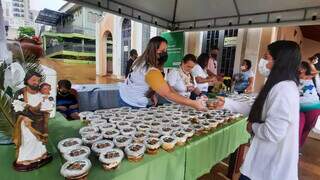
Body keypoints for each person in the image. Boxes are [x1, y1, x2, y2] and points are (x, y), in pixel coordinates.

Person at [215, 40, 301, 180]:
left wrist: (252, 126)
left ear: (280, 61)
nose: (262, 62)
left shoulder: (284, 90)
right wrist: (226, 103)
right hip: (263, 163)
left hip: (269, 169)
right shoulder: (278, 85)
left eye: (266, 57)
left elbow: (273, 133)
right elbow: (259, 111)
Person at [119, 36, 206, 110]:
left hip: (125, 94)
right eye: (162, 51)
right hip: (133, 102)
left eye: (166, 50)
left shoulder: (139, 59)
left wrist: (152, 94)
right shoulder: (152, 71)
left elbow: (138, 80)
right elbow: (168, 93)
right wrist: (193, 104)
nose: (165, 53)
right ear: (153, 50)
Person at [12, 71, 52, 171]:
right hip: (26, 123)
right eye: (33, 80)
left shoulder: (41, 92)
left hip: (39, 121)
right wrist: (23, 117)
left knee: (39, 141)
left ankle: (41, 156)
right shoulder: (20, 93)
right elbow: (15, 108)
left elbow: (47, 104)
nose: (36, 83)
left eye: (38, 81)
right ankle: (25, 159)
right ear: (27, 80)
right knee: (29, 140)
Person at [298, 61, 320, 148]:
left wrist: (311, 64)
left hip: (313, 108)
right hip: (298, 108)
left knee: (306, 130)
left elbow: (316, 72)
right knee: (298, 128)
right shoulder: (293, 78)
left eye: (300, 67)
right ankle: (294, 148)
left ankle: (298, 148)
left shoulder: (313, 78)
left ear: (304, 69)